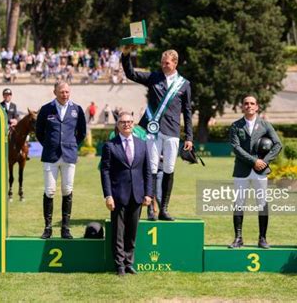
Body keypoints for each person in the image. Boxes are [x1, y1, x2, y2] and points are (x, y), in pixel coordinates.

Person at [121, 46, 193, 221]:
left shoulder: (184, 84)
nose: (163, 65)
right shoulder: (154, 78)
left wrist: (189, 136)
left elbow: (188, 110)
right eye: (162, 62)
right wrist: (126, 55)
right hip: (152, 132)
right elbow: (131, 74)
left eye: (167, 63)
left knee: (169, 169)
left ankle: (164, 209)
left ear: (175, 63)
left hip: (173, 131)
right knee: (152, 168)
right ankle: (150, 209)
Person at [100, 112, 153, 275]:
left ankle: (129, 263)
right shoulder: (110, 145)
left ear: (134, 124)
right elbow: (105, 172)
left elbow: (147, 171)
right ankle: (119, 265)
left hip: (138, 194)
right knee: (118, 232)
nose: (127, 124)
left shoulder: (142, 144)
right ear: (118, 125)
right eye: (123, 122)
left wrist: (148, 193)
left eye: (130, 122)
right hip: (118, 195)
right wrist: (108, 195)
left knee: (132, 231)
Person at [228, 95, 282, 249]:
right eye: (246, 103)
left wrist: (264, 162)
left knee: (262, 204)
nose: (249, 106)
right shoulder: (236, 126)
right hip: (241, 170)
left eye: (252, 103)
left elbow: (278, 145)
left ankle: (262, 238)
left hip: (261, 171)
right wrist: (254, 161)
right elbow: (236, 148)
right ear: (242, 107)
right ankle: (238, 238)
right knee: (239, 204)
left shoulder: (265, 125)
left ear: (257, 107)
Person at [36, 80, 87, 239]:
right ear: (55, 93)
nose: (65, 95)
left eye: (67, 92)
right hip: (51, 156)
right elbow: (39, 132)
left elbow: (82, 132)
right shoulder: (46, 109)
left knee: (67, 190)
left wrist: (71, 145)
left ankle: (65, 228)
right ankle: (48, 228)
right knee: (50, 190)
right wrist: (50, 145)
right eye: (61, 92)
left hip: (69, 155)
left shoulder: (77, 109)